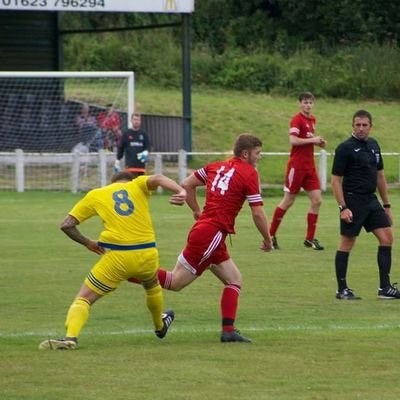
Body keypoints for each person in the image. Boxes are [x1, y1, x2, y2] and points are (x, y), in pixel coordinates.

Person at [129, 134, 273, 343]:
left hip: (210, 232)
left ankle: (228, 331)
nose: (260, 157)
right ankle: (126, 271)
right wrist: (268, 239)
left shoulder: (215, 166)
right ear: (245, 153)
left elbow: (187, 185)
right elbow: (258, 213)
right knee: (175, 282)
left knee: (234, 279)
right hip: (212, 234)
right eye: (258, 153)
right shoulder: (250, 173)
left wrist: (196, 210)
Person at [38, 171, 187, 350]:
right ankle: (159, 326)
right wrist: (180, 190)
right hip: (148, 253)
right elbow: (158, 178)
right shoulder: (138, 185)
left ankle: (71, 337)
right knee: (152, 286)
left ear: (112, 182)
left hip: (118, 257)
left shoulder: (97, 194)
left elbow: (66, 225)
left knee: (84, 299)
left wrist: (88, 243)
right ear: (130, 180)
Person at [331, 109, 399, 300]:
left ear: (370, 126)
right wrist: (343, 207)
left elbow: (380, 176)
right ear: (352, 126)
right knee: (347, 241)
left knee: (387, 237)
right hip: (353, 200)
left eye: (364, 125)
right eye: (357, 125)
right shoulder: (344, 148)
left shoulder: (374, 145)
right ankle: (342, 289)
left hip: (371, 200)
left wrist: (386, 205)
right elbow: (336, 180)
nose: (361, 128)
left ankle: (385, 288)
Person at [269, 92, 327, 250]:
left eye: (310, 102)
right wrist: (313, 140)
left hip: (310, 166)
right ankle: (270, 235)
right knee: (288, 201)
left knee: (317, 200)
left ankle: (310, 238)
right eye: (305, 102)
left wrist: (318, 143)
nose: (308, 105)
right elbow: (293, 140)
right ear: (299, 103)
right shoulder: (297, 119)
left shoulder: (312, 120)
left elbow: (306, 140)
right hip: (297, 166)